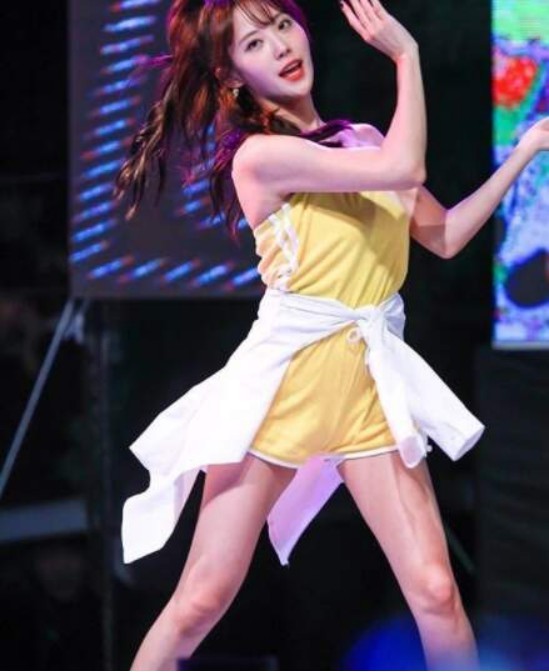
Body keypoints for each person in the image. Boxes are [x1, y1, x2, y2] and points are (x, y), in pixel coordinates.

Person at [114, 0, 549, 669]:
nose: (280, 45)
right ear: (231, 75)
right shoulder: (260, 157)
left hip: (366, 384)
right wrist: (406, 56)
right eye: (253, 43)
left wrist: (523, 151)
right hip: (283, 386)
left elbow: (444, 235)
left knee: (436, 592)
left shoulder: (364, 140)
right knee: (201, 598)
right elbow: (404, 170)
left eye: (282, 26)